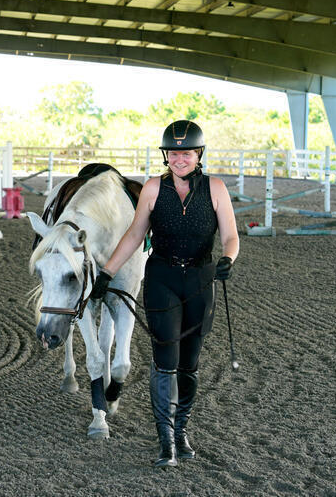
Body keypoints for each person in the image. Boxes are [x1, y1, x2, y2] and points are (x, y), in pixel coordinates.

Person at [89, 120, 239, 467]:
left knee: (189, 364)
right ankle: (166, 441)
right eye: (173, 153)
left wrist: (228, 258)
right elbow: (134, 235)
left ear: (198, 155)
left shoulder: (216, 188)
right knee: (165, 360)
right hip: (162, 279)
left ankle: (181, 430)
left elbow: (231, 236)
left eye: (186, 154)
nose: (179, 159)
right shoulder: (153, 188)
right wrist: (107, 272)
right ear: (166, 156)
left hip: (200, 282)